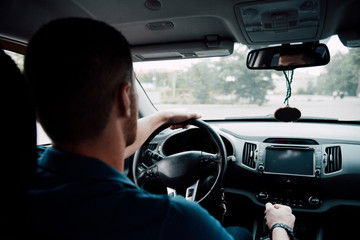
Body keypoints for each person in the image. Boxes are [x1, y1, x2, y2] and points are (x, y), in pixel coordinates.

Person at [25, 18, 295, 240]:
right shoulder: (176, 222)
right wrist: (280, 227)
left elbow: (107, 143)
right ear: (123, 99)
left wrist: (161, 118)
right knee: (240, 232)